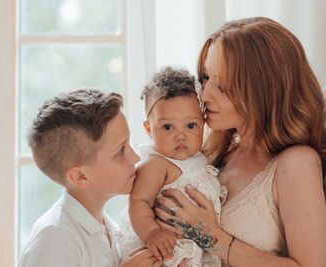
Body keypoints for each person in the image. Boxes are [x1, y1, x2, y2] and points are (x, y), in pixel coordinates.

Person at [154, 17, 326, 267]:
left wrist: (211, 237)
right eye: (205, 77)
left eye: (221, 85)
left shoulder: (296, 163)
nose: (204, 94)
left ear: (263, 89)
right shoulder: (211, 153)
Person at [17, 89, 162, 267]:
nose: (136, 158)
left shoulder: (108, 228)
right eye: (121, 151)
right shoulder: (56, 237)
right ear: (81, 176)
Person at [119, 67, 227, 267]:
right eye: (168, 127)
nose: (180, 136)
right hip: (169, 247)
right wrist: (152, 233)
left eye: (191, 126)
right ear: (149, 129)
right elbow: (139, 201)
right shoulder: (155, 163)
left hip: (200, 246)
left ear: (204, 124)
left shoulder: (199, 158)